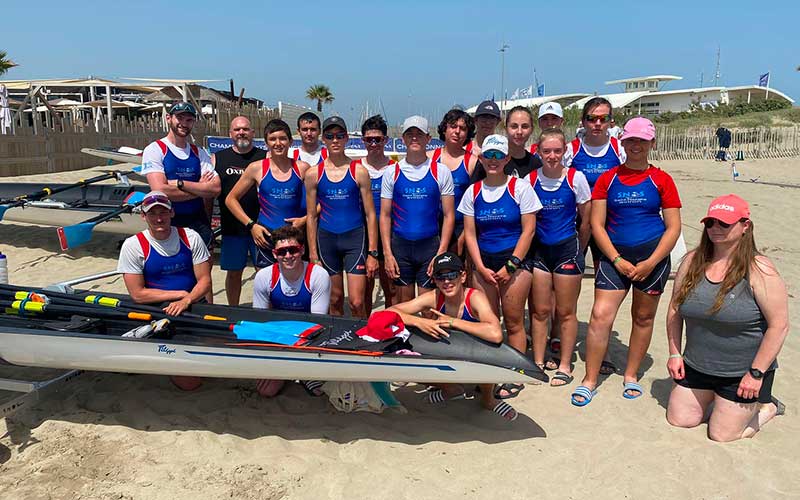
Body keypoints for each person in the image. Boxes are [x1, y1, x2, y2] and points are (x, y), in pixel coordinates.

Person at [571, 117, 682, 407]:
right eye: (631, 140)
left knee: (643, 318)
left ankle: (630, 375)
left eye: (641, 141)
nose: (635, 145)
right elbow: (596, 224)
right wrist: (616, 258)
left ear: (651, 144)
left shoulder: (662, 180)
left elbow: (673, 228)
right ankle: (590, 379)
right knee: (600, 315)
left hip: (652, 259)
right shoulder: (608, 179)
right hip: (614, 257)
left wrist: (651, 261)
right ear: (623, 142)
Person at [665, 194, 787, 441]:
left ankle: (768, 406)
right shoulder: (691, 262)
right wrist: (675, 353)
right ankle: (717, 401)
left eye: (724, 223)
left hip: (742, 372)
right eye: (710, 222)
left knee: (721, 435)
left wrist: (755, 374)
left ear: (745, 226)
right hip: (697, 365)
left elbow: (779, 325)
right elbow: (675, 311)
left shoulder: (759, 269)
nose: (715, 228)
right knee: (679, 420)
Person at [388, 252, 518, 421]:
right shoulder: (433, 297)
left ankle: (488, 399)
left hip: (475, 351)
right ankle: (451, 390)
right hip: (449, 350)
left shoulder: (474, 297)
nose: (447, 281)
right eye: (441, 277)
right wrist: (419, 322)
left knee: (490, 348)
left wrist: (453, 322)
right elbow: (388, 313)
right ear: (434, 280)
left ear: (463, 276)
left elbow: (495, 334)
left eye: (452, 275)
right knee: (413, 356)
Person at [459, 134, 540, 400]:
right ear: (481, 158)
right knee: (488, 321)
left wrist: (511, 266)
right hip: (483, 262)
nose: (492, 161)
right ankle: (488, 370)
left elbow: (528, 231)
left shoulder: (521, 188)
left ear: (506, 158)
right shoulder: (473, 191)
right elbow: (470, 233)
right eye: (488, 156)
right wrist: (480, 268)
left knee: (514, 321)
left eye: (498, 156)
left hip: (514, 262)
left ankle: (514, 373)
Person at [117, 191, 212, 391]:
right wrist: (179, 295)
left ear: (172, 213)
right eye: (152, 213)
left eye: (163, 212)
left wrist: (187, 300)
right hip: (159, 311)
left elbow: (205, 280)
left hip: (192, 303)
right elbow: (138, 294)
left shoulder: (190, 236)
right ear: (143, 216)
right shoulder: (133, 246)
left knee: (216, 366)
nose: (159, 218)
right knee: (191, 384)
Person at [525, 128, 591, 386]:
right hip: (541, 252)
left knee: (565, 312)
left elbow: (586, 221)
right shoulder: (530, 180)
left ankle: (565, 364)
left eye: (557, 150)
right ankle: (538, 362)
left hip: (568, 251)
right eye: (546, 151)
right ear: (538, 152)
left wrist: (580, 249)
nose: (552, 156)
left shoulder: (576, 178)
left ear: (565, 151)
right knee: (540, 311)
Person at [305, 116, 379, 317]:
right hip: (327, 239)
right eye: (330, 136)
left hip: (354, 238)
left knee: (356, 301)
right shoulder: (313, 174)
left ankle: (362, 340)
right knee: (335, 300)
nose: (335, 140)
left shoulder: (359, 171)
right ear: (324, 140)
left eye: (339, 136)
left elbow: (371, 214)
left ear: (347, 138)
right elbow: (311, 217)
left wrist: (372, 253)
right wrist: (313, 254)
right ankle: (337, 342)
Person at [381, 116, 455, 303]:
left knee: (428, 310)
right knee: (405, 308)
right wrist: (388, 254)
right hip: (401, 248)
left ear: (428, 139)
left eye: (419, 134)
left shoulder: (441, 171)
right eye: (410, 134)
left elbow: (448, 215)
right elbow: (385, 215)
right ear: (403, 139)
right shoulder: (392, 172)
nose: (415, 138)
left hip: (429, 247)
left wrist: (441, 252)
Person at [252, 225, 332, 397]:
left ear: (302, 250)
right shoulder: (264, 277)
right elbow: (260, 323)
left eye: (292, 250)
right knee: (266, 391)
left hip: (309, 336)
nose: (287, 256)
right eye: (282, 252)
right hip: (279, 336)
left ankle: (299, 371)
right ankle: (293, 371)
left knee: (319, 391)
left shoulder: (318, 275)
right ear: (274, 254)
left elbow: (317, 323)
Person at [225, 119, 310, 276]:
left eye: (283, 138)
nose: (278, 143)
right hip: (266, 237)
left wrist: (304, 219)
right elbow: (230, 199)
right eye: (272, 139)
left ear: (290, 141)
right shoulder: (257, 168)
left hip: (295, 237)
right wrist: (251, 225)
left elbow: (322, 201)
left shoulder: (302, 168)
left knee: (297, 286)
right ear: (266, 143)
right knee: (268, 288)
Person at [141, 102, 221, 247]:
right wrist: (201, 189)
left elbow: (215, 189)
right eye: (180, 118)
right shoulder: (155, 149)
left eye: (189, 120)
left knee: (203, 268)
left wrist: (180, 184)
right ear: (168, 118)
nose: (184, 123)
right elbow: (160, 190)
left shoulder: (199, 152)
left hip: (198, 221)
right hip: (168, 222)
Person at [213, 116, 267, 305]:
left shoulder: (265, 157)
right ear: (230, 134)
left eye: (245, 129)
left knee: (264, 272)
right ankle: (233, 309)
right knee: (234, 273)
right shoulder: (218, 158)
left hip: (261, 227)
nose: (241, 132)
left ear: (253, 133)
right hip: (232, 228)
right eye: (237, 130)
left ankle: (265, 310)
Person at [357, 115, 397, 314]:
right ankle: (364, 327)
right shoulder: (355, 168)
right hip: (363, 234)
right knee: (365, 286)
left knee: (391, 288)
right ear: (363, 140)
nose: (373, 143)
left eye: (378, 139)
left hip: (388, 235)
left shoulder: (395, 168)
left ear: (385, 140)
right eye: (369, 139)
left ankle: (390, 326)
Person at [430, 109, 478, 254]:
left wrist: (463, 238)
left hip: (460, 228)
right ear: (444, 129)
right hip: (432, 227)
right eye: (453, 126)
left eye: (463, 128)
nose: (457, 131)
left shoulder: (472, 162)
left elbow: (476, 204)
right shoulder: (430, 158)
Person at [472, 106, 541, 182]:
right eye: (514, 126)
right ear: (506, 128)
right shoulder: (490, 160)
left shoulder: (537, 165)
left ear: (532, 129)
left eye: (525, 126)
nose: (519, 132)